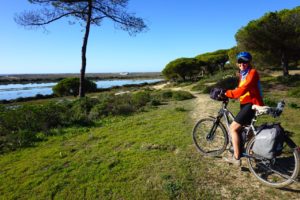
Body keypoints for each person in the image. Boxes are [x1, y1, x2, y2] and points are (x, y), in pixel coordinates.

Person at [223, 51, 264, 165]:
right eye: (239, 61)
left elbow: (244, 88)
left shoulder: (252, 73)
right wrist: (234, 93)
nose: (242, 64)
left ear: (249, 62)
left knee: (233, 128)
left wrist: (228, 93)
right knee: (248, 130)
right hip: (246, 104)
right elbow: (242, 90)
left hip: (251, 105)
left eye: (244, 61)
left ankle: (236, 158)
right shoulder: (242, 74)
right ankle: (252, 153)